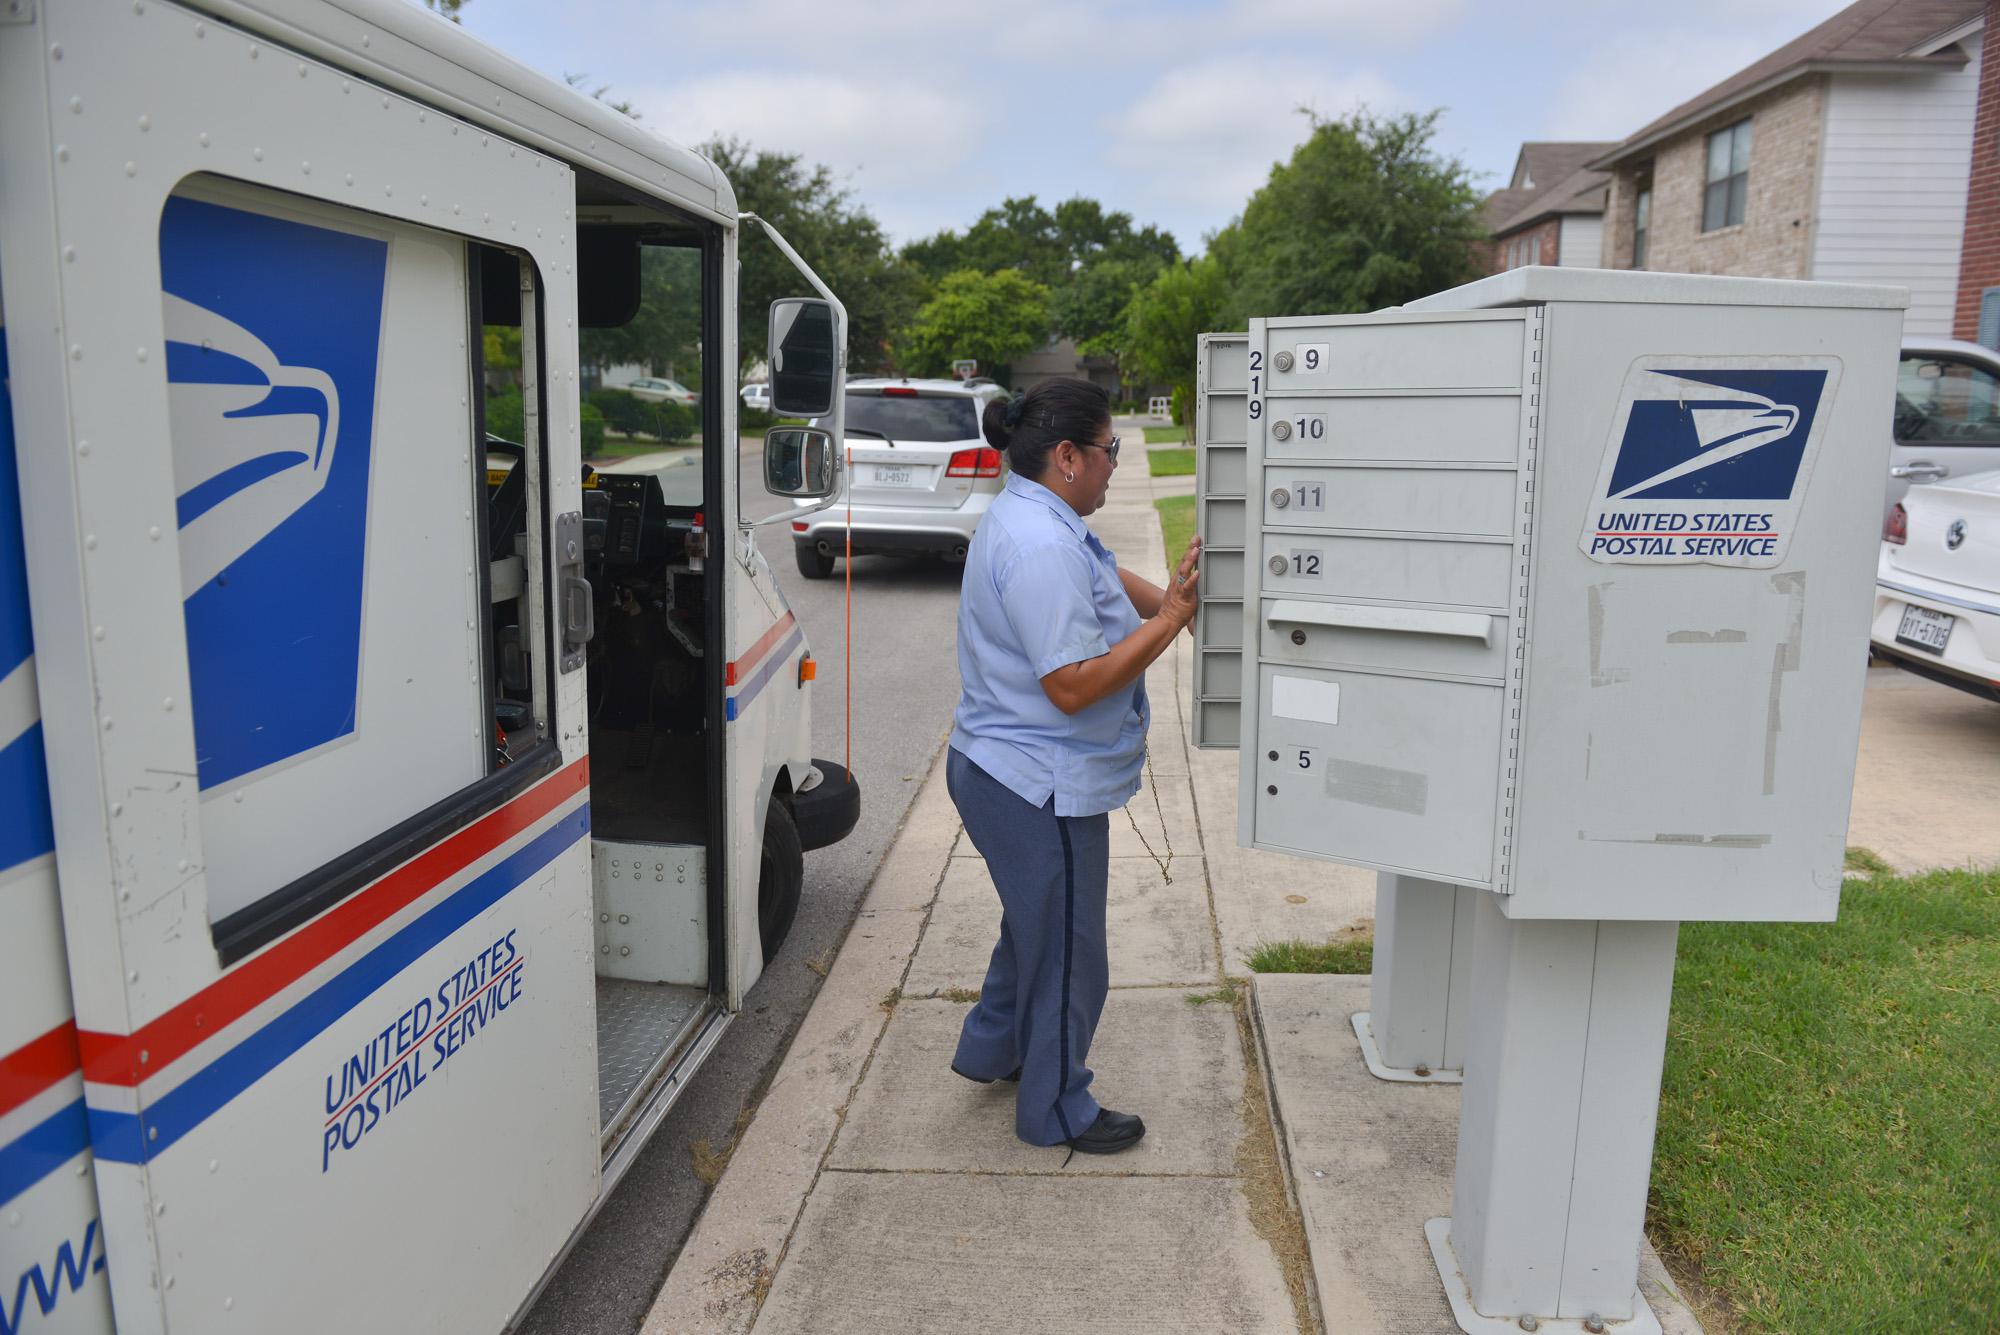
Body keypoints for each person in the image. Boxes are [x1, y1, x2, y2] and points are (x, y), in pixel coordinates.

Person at [945, 377, 1201, 1155]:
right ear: (1067, 456)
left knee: (1034, 928)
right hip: (1035, 783)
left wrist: (1178, 598)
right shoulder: (1040, 544)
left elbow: (1108, 572)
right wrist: (1174, 621)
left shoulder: (1038, 513)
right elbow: (1071, 685)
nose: (1115, 464)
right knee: (1069, 950)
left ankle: (999, 1049)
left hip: (1008, 768)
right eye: (1108, 450)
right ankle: (1056, 1109)